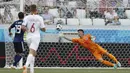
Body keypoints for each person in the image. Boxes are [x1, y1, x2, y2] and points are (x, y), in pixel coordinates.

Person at [21, 4, 46, 73]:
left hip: (28, 37)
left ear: (30, 10)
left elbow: (22, 27)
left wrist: (27, 29)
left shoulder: (27, 17)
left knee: (33, 53)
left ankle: (32, 71)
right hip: (36, 37)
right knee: (32, 52)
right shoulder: (39, 18)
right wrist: (41, 27)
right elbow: (44, 29)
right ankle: (26, 65)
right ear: (36, 10)